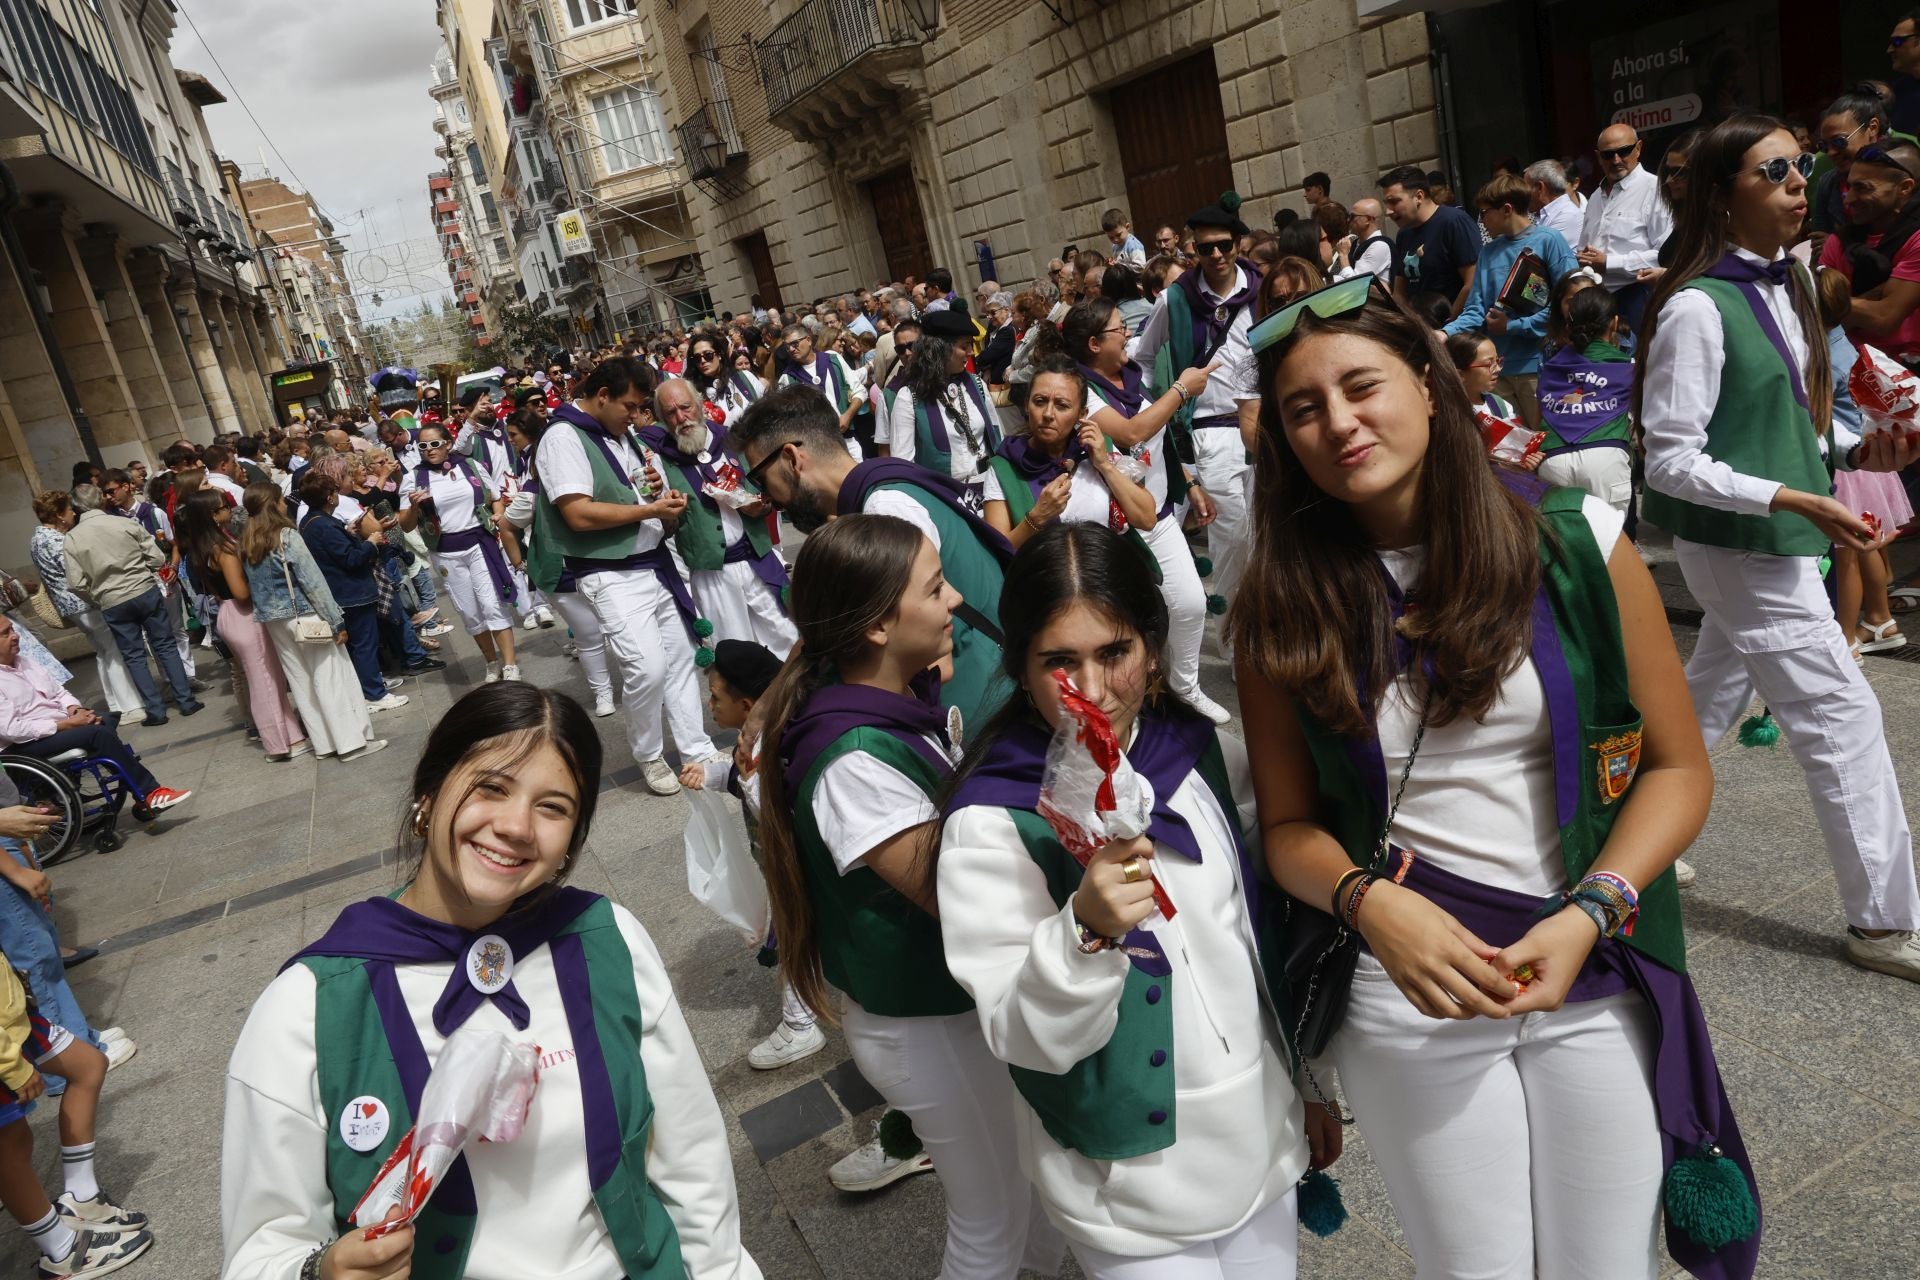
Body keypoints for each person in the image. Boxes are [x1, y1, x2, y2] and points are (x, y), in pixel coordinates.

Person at [1233, 278, 1758, 1278]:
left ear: (1429, 387)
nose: (1338, 422)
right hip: (1405, 989)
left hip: (1588, 960)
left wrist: (1591, 909)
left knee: (1605, 1265)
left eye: (1361, 386)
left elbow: (1678, 768)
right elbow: (1290, 826)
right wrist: (1371, 904)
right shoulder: (1279, 600)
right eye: (1304, 407)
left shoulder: (1576, 541)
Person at [221, 683, 763, 1280]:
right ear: (428, 795)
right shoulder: (308, 1008)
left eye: (553, 807)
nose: (516, 827)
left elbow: (691, 1157)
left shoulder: (606, 942)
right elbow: (261, 1251)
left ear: (570, 843)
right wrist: (319, 1272)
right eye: (491, 788)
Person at [936, 521, 1322, 1277]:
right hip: (1126, 1190)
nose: (1092, 688)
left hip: (1259, 1139)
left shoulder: (1200, 755)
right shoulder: (994, 821)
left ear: (1151, 647)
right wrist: (1084, 930)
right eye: (1060, 662)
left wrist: (1308, 1085)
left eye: (1113, 652)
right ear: (1021, 666)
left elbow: (1257, 945)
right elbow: (1022, 1035)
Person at [1640, 115, 1920, 981]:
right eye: (1776, 171)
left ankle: (1616, 842)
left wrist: (1850, 450)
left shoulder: (1793, 287)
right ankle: (1883, 924)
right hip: (1740, 546)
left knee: (1702, 707)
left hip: (1782, 534)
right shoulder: (1696, 306)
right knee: (1841, 716)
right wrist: (1789, 495)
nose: (1803, 181)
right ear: (1725, 197)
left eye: (1801, 165)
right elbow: (1671, 459)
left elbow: (1779, 429)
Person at [754, 514, 1059, 1278]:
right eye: (935, 587)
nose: (955, 598)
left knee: (1033, 1192)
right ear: (880, 626)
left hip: (947, 1009)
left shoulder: (886, 706)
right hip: (926, 1027)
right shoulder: (854, 756)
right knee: (990, 1220)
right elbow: (956, 890)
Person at [732, 384, 1015, 728]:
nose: (767, 497)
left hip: (981, 716)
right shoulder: (887, 483)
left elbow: (906, 652)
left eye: (761, 479)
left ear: (791, 459)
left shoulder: (884, 509)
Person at [526, 357, 719, 796]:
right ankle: (649, 754)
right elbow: (577, 513)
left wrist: (655, 493)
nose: (637, 417)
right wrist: (648, 509)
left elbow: (629, 490)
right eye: (630, 407)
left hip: (653, 561)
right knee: (647, 667)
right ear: (602, 397)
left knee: (682, 659)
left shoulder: (619, 433)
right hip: (610, 573)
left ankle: (697, 748)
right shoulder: (562, 437)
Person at [1052, 299, 1228, 723]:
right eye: (1119, 329)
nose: (1128, 333)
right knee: (1121, 620)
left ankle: (1184, 687)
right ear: (1094, 344)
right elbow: (1134, 431)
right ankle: (1131, 700)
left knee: (1188, 604)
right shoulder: (1083, 390)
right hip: (1111, 525)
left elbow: (1158, 440)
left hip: (1157, 513)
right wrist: (1183, 388)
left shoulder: (1134, 378)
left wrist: (1190, 483)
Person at [0, 952, 152, 1277]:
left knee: (89, 1065)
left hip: (12, 1022)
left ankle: (82, 1198)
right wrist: (11, 1066)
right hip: (3, 1043)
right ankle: (62, 1251)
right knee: (10, 1145)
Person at [644, 379, 796, 657]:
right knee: (736, 651)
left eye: (686, 407)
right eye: (670, 413)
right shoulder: (659, 460)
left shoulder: (731, 441)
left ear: (700, 404)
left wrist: (761, 505)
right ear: (662, 419)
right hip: (713, 573)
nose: (681, 418)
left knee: (788, 634)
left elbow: (769, 486)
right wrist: (667, 511)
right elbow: (664, 525)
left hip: (758, 558)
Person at [238, 483, 382, 762]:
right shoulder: (286, 536)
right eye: (281, 500)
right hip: (304, 613)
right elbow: (313, 581)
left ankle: (325, 743)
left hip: (274, 620)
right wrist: (336, 620)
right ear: (273, 504)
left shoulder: (247, 540)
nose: (285, 504)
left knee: (301, 681)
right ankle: (351, 743)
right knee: (330, 675)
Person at [0, 615, 193, 820]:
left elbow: (59, 692)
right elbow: (13, 730)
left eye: (13, 629)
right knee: (97, 735)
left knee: (107, 719)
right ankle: (148, 792)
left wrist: (75, 710)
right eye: (5, 633)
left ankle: (85, 781)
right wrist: (66, 724)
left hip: (58, 721)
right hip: (24, 744)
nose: (15, 636)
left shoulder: (26, 661)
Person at [1819, 268, 1914, 658]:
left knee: (1845, 555)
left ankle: (1846, 637)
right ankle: (1879, 617)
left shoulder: (1820, 354)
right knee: (1866, 546)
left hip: (1845, 463)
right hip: (1863, 457)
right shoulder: (1849, 346)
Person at [173, 489, 308, 762]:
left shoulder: (202, 545)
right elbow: (241, 592)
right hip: (242, 614)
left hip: (227, 613)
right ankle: (279, 743)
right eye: (224, 507)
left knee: (265, 679)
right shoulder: (222, 547)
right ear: (213, 515)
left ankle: (290, 735)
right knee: (266, 681)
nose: (229, 510)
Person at [983, 354, 1160, 554]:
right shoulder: (1005, 468)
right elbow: (996, 553)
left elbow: (1147, 519)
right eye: (1040, 401)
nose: (1048, 414)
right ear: (1026, 405)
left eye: (1062, 405)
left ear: (1082, 414)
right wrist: (1037, 518)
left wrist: (1105, 466)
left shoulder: (1098, 451)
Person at [59, 485, 203, 728]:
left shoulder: (72, 538)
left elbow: (75, 583)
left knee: (134, 656)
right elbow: (157, 559)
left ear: (76, 506)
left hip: (111, 599)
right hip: (143, 589)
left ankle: (156, 710)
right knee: (165, 645)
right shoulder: (123, 523)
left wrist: (97, 596)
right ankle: (186, 700)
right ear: (101, 501)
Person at [1444, 173, 1580, 429]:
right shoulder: (1488, 251)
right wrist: (1444, 333)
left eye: (1484, 212)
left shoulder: (1549, 240)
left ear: (1506, 209)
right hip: (1496, 374)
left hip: (1539, 365)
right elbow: (1475, 310)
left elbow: (1571, 301)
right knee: (1510, 451)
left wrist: (1514, 326)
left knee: (1545, 444)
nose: (1481, 220)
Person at [397, 423, 522, 683]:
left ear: (448, 444)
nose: (429, 450)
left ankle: (509, 665)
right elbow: (406, 525)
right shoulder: (413, 477)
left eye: (434, 444)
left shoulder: (471, 466)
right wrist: (412, 506)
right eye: (423, 446)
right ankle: (491, 662)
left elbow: (494, 496)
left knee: (492, 604)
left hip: (478, 544)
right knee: (469, 611)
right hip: (445, 551)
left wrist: (498, 513)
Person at [298, 471, 410, 720]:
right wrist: (370, 541)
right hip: (351, 593)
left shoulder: (312, 521)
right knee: (364, 644)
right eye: (335, 492)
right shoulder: (323, 525)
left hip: (343, 592)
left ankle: (370, 684)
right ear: (329, 497)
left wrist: (349, 532)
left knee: (360, 644)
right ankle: (375, 694)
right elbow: (350, 559)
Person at [27, 494, 142, 724]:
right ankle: (130, 705)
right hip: (82, 602)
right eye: (69, 509)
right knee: (112, 649)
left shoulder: (37, 539)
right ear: (59, 514)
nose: (73, 513)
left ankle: (116, 703)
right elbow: (76, 571)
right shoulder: (56, 540)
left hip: (71, 605)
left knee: (103, 650)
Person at [1533, 283, 1636, 511]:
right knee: (1608, 543)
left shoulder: (1551, 367)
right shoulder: (1629, 367)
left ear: (1568, 323)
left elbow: (1537, 418)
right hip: (1606, 457)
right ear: (1615, 323)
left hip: (1553, 459)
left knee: (1561, 542)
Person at [887, 305, 1002, 508]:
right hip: (946, 499)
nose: (970, 352)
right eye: (964, 346)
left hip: (990, 490)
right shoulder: (909, 397)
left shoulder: (977, 384)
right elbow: (904, 465)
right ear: (941, 348)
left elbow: (997, 435)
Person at [1818, 139, 1920, 362]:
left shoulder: (1916, 239)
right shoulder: (1840, 241)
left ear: (1904, 188)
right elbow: (1823, 320)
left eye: (1863, 188)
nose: (1849, 200)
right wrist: (1877, 295)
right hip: (1848, 361)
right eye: (1850, 186)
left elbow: (1884, 318)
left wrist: (1830, 300)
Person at [1578, 124, 1673, 339]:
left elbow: (1665, 256)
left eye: (1624, 151)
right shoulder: (1595, 197)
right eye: (1608, 154)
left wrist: (1609, 263)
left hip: (1638, 297)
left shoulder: (1654, 189)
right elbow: (1584, 246)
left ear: (1638, 148)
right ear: (1598, 157)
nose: (1616, 160)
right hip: (1598, 302)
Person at [1379, 164, 1480, 318]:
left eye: (1394, 202)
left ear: (1419, 196)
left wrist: (1448, 326)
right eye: (1386, 203)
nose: (1388, 211)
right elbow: (1400, 292)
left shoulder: (1454, 222)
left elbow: (1472, 283)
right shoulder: (1404, 234)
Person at [776, 323, 864, 458]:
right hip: (818, 449)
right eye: (787, 347)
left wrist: (847, 415)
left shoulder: (833, 360)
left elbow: (859, 391)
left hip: (848, 439)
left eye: (794, 344)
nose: (791, 349)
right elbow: (789, 420)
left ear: (809, 340)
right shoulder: (787, 378)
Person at [686, 330, 762, 428]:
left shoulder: (745, 377)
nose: (703, 361)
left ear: (719, 355)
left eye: (708, 355)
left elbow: (768, 407)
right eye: (697, 358)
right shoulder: (695, 394)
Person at [1526, 157, 1585, 252]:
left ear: (1540, 187)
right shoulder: (1540, 214)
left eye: (1526, 188)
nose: (1523, 194)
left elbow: (1532, 256)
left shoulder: (1567, 215)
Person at [1331, 198, 1393, 286]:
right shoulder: (1355, 243)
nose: (1348, 220)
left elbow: (1355, 284)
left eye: (1353, 216)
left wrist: (1343, 255)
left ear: (1367, 219)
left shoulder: (1379, 246)